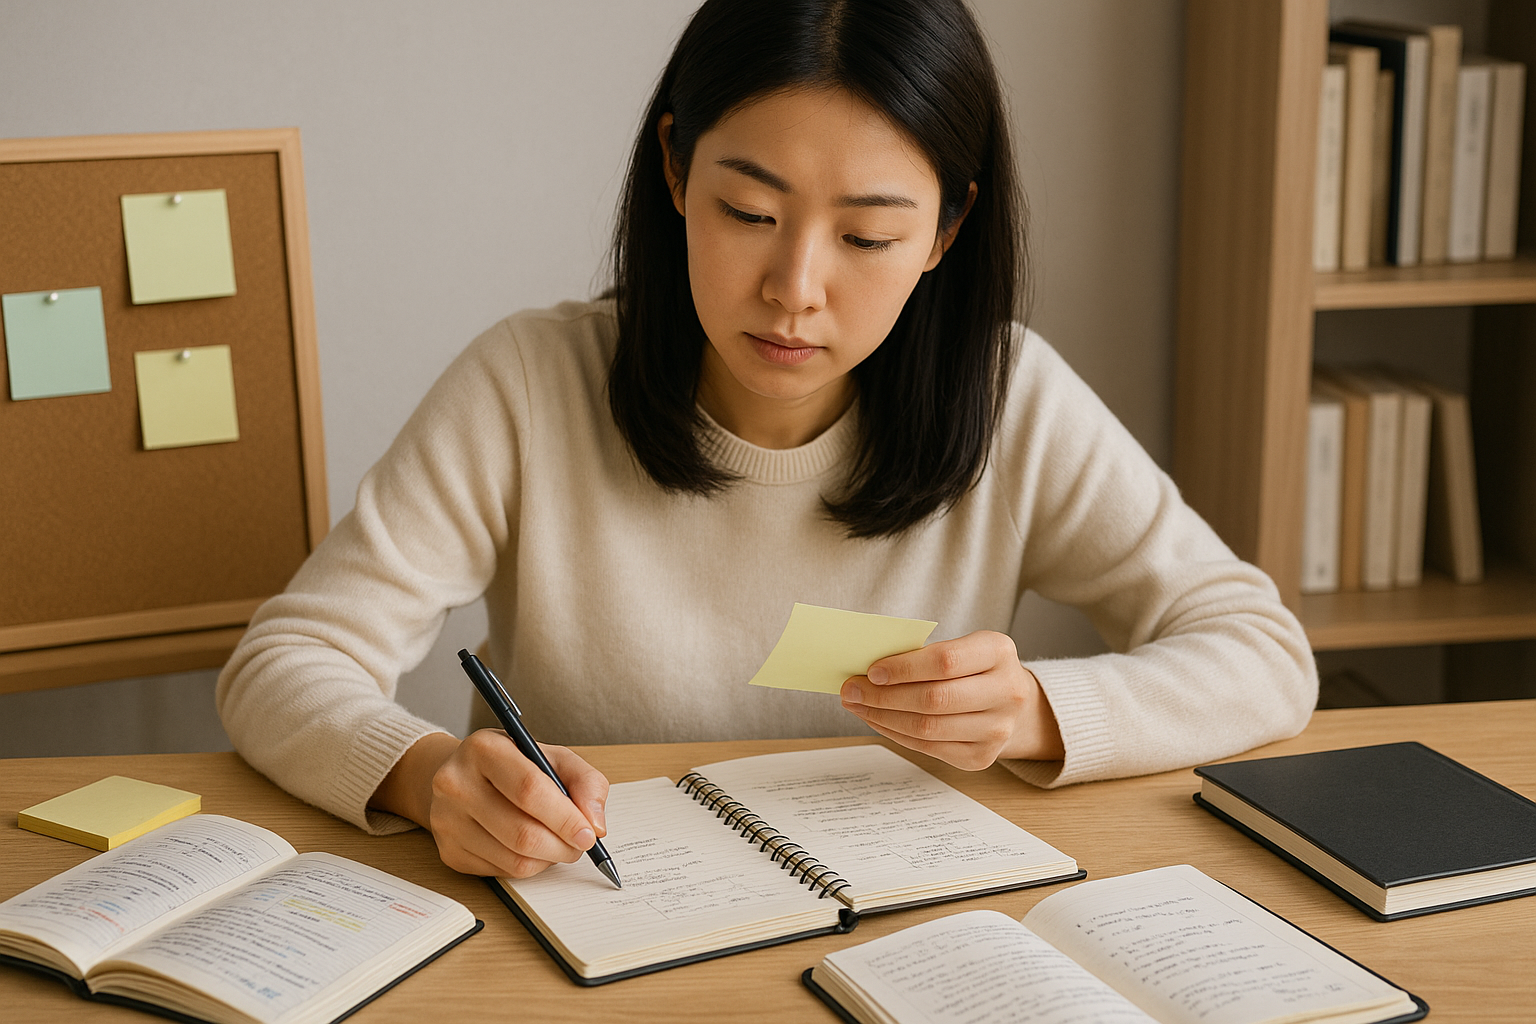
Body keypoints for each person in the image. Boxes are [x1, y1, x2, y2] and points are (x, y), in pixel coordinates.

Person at [217, 0, 1315, 883]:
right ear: (678, 171)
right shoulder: (530, 385)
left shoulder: (1008, 394)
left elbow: (1263, 652)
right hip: (594, 933)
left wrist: (1036, 711)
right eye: (749, 212)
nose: (794, 290)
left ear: (945, 232)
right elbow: (284, 664)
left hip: (911, 941)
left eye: (868, 235)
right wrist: (430, 775)